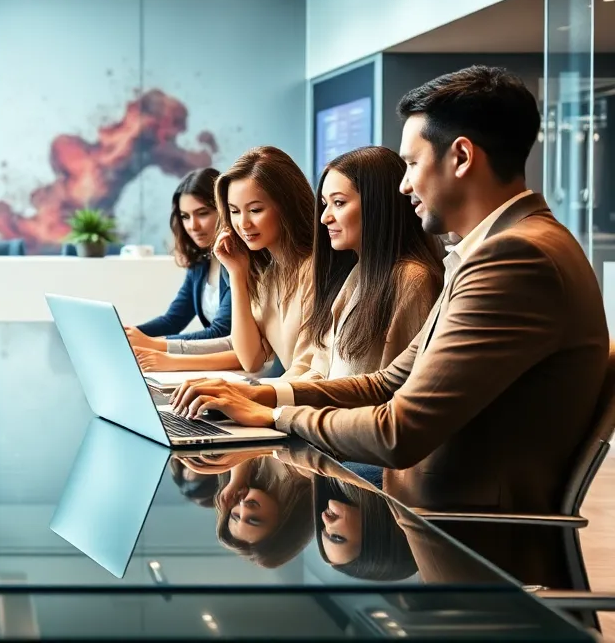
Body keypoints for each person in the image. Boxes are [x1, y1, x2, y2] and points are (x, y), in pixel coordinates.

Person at [169, 66, 610, 513]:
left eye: (413, 164)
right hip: (428, 504)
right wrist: (257, 395)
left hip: (458, 529)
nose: (403, 184)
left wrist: (275, 416)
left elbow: (398, 432)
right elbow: (388, 380)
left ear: (460, 157)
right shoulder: (490, 250)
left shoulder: (515, 258)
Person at [134, 147, 314, 375]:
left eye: (255, 210)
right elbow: (250, 358)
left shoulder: (310, 270)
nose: (244, 224)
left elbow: (226, 338)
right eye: (235, 211)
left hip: (293, 397)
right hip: (279, 391)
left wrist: (161, 350)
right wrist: (237, 274)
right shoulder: (264, 274)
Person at [283, 146, 444, 380]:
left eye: (338, 203)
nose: (324, 217)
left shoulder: (412, 279)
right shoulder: (355, 272)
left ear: (377, 204)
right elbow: (320, 371)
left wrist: (273, 404)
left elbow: (395, 392)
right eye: (325, 204)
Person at [125, 168, 232, 348]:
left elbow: (221, 332)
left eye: (203, 213)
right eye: (185, 216)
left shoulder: (239, 263)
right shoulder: (200, 264)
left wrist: (150, 343)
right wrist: (126, 333)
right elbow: (172, 321)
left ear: (224, 210)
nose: (193, 226)